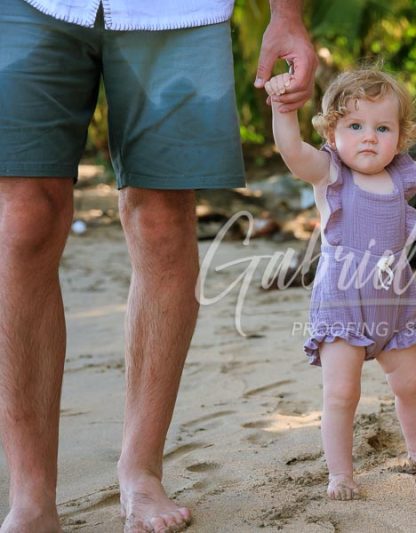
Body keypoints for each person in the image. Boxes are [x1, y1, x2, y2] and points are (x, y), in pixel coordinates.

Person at [0, 0, 315, 532]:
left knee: (163, 221)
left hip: (177, 12)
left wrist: (286, 15)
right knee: (23, 220)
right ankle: (30, 498)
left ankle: (141, 471)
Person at [265, 67, 416, 500]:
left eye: (383, 128)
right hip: (343, 304)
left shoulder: (402, 175)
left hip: (393, 306)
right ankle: (340, 474)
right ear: (333, 129)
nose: (369, 137)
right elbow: (291, 150)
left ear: (400, 135)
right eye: (355, 126)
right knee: (342, 392)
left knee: (410, 382)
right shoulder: (330, 173)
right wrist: (282, 110)